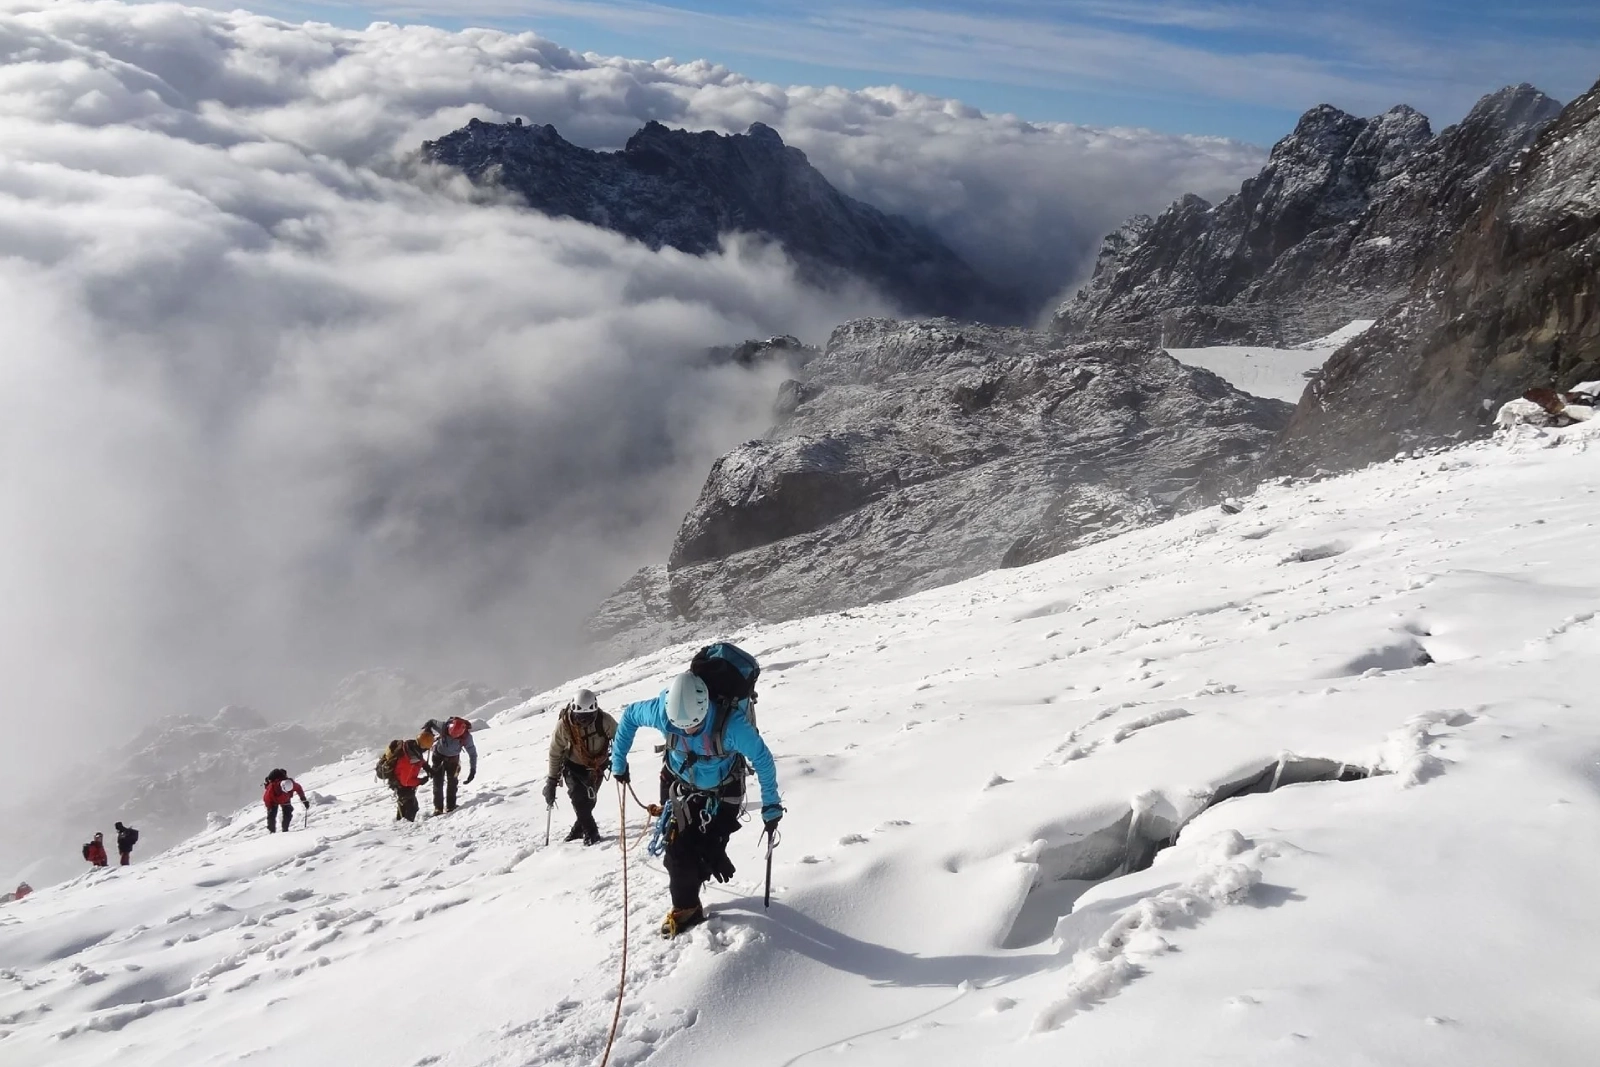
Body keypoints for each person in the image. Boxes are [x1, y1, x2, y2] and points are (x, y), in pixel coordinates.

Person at [611, 669, 782, 937]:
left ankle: (706, 862)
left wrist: (771, 805)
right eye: (679, 727)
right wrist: (618, 763)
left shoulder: (732, 725)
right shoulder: (662, 712)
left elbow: (762, 759)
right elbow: (631, 715)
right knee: (676, 852)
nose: (686, 731)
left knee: (706, 850)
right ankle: (687, 908)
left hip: (722, 794)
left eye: (693, 725)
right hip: (678, 785)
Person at [543, 689, 616, 845]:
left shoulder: (605, 721)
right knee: (578, 798)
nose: (584, 721)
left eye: (588, 717)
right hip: (573, 766)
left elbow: (621, 738)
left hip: (597, 767)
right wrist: (552, 780)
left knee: (589, 802)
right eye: (580, 717)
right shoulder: (564, 725)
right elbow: (555, 752)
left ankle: (578, 830)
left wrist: (620, 761)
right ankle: (591, 832)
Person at [421, 716, 478, 815]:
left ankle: (450, 806)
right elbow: (431, 721)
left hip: (452, 760)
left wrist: (473, 769)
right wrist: (427, 728)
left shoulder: (466, 737)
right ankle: (438, 808)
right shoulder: (444, 726)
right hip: (440, 757)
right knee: (438, 782)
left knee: (452, 783)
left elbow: (472, 753)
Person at [377, 738, 431, 822]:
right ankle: (405, 825)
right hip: (402, 786)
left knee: (405, 806)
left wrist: (425, 765)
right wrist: (420, 781)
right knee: (411, 807)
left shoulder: (410, 749)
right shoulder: (409, 760)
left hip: (399, 783)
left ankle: (400, 823)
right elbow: (406, 782)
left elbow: (419, 759)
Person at [262, 768, 309, 833]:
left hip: (285, 799)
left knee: (288, 813)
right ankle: (272, 832)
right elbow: (267, 799)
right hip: (273, 801)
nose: (286, 792)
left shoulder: (291, 784)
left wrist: (304, 799)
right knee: (271, 816)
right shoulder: (271, 789)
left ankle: (285, 830)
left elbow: (298, 788)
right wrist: (270, 808)